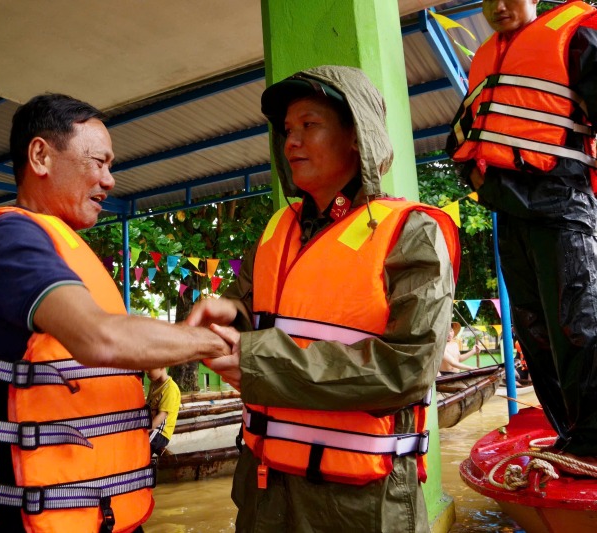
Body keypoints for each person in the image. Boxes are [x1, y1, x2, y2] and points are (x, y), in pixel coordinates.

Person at [186, 65, 460, 533]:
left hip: (362, 506)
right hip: (264, 494)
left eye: (309, 125)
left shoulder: (412, 232)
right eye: (287, 129)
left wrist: (259, 361)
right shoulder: (277, 228)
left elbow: (408, 369)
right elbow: (255, 311)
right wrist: (232, 311)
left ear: (357, 136)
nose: (291, 142)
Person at [0, 94, 230, 533]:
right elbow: (99, 337)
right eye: (98, 162)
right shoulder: (11, 237)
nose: (109, 180)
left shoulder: (63, 246)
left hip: (97, 513)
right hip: (32, 521)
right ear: (40, 156)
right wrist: (217, 342)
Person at [447, 0, 597, 456]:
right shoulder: (486, 59)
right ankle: (571, 435)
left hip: (562, 204)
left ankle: (593, 442)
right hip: (508, 211)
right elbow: (462, 133)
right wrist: (475, 178)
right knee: (533, 332)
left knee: (578, 325)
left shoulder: (575, 38)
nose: (498, 6)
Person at [145, 367, 181, 456]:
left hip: (160, 433)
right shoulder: (153, 384)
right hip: (152, 427)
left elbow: (162, 416)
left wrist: (145, 430)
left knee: (141, 443)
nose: (146, 372)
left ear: (162, 366)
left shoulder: (170, 388)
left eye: (149, 368)